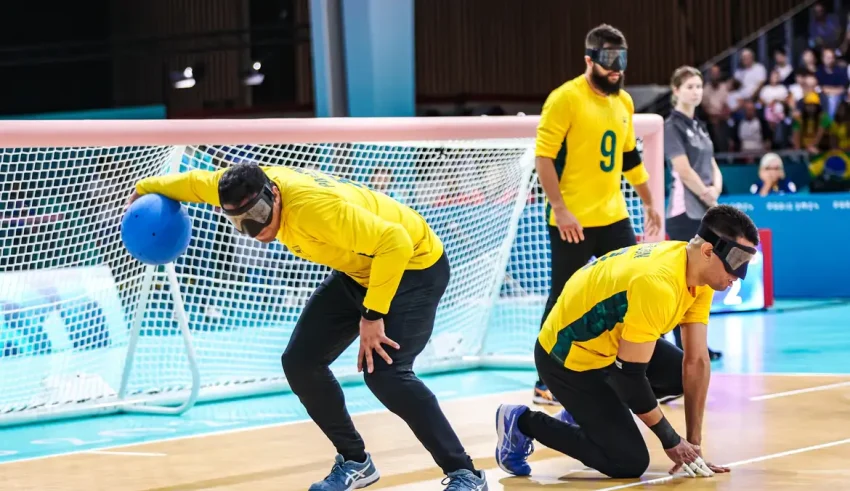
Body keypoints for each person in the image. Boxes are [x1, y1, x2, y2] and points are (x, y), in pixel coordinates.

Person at [126, 163, 488, 491]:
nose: (254, 229)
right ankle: (355, 461)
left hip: (412, 267)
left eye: (258, 215)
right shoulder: (238, 189)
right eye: (240, 223)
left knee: (387, 375)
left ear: (274, 192)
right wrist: (143, 188)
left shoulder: (314, 210)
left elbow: (395, 242)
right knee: (300, 362)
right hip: (359, 270)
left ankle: (466, 474)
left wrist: (372, 315)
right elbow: (193, 183)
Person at [496, 204, 758, 480]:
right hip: (566, 358)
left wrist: (694, 446)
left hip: (610, 343)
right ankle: (521, 423)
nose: (738, 276)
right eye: (736, 263)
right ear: (707, 251)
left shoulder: (698, 273)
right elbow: (629, 378)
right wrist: (671, 440)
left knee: (679, 375)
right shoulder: (658, 284)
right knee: (628, 461)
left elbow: (696, 362)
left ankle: (583, 414)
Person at [531, 23, 662, 405]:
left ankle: (638, 374)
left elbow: (628, 158)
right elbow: (544, 157)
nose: (616, 68)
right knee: (563, 298)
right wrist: (560, 209)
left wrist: (649, 202)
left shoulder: (623, 103)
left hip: (614, 216)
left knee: (636, 286)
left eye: (621, 59)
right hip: (572, 221)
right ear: (589, 60)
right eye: (608, 60)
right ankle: (545, 381)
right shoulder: (565, 98)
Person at [664, 66, 725, 362]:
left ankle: (699, 345)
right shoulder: (671, 126)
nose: (696, 91)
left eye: (699, 86)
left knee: (702, 283)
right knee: (685, 282)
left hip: (705, 209)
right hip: (684, 212)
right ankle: (682, 347)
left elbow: (712, 164)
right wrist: (706, 195)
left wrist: (716, 189)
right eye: (689, 86)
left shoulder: (700, 126)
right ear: (676, 91)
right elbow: (683, 169)